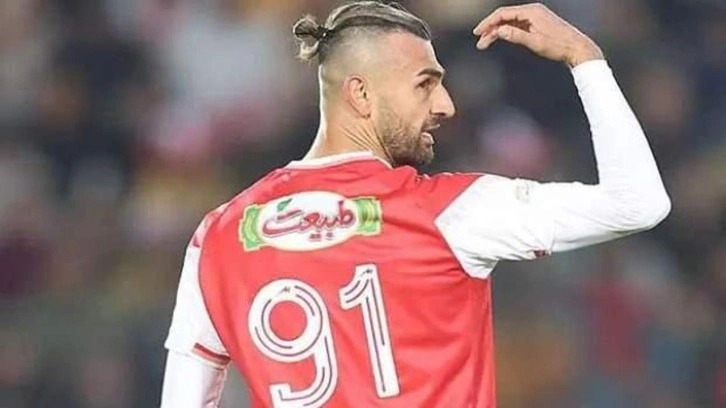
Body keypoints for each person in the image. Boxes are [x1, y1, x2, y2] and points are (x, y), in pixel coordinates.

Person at [160, 2, 671, 407]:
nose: (446, 105)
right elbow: (638, 203)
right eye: (425, 84)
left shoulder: (218, 235)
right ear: (361, 94)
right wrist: (584, 56)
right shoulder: (450, 213)